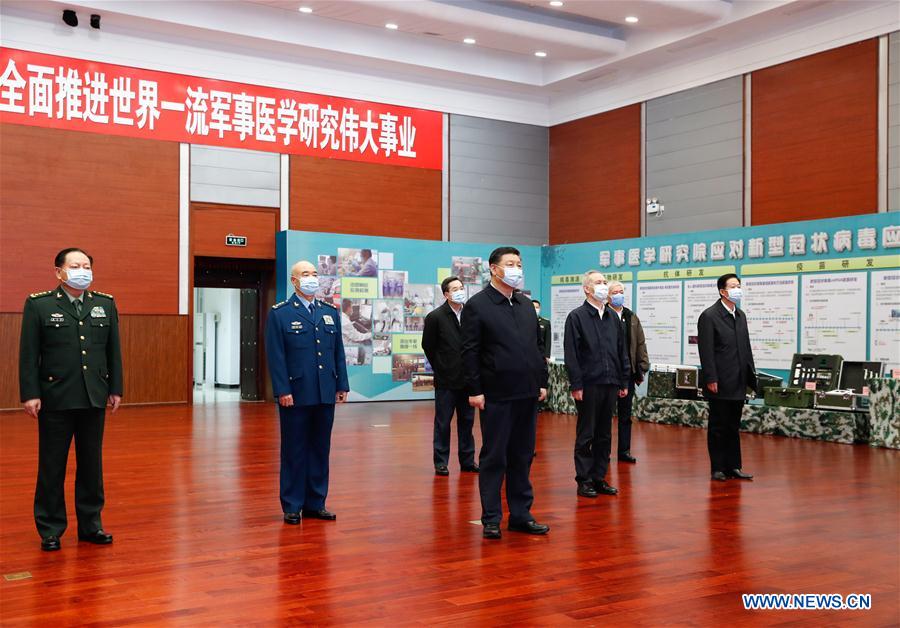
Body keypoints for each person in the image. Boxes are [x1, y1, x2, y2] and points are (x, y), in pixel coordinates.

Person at [19, 248, 123, 552]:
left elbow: (113, 351)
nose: (82, 270)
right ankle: (50, 529)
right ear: (59, 272)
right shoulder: (39, 305)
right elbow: (28, 355)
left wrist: (115, 388)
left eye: (87, 265)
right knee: (52, 465)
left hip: (94, 396)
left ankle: (91, 525)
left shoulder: (104, 303)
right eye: (75, 266)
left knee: (92, 465)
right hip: (56, 397)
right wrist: (30, 394)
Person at [462, 246, 550, 540]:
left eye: (519, 263)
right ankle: (491, 517)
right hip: (496, 394)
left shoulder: (525, 305)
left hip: (526, 393)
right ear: (493, 269)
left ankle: (521, 515)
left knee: (523, 455)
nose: (516, 269)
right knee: (494, 456)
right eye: (510, 264)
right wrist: (475, 390)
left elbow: (538, 349)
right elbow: (470, 351)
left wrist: (542, 381)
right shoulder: (477, 305)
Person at [266, 260, 350, 524]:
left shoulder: (329, 312)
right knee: (294, 449)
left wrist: (342, 385)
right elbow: (276, 356)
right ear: (294, 280)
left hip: (325, 392)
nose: (312, 278)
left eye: (314, 274)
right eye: (305, 274)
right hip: (296, 394)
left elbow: (338, 352)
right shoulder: (280, 313)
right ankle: (292, 505)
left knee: (320, 448)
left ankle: (316, 502)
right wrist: (282, 390)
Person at [563, 271, 630, 498]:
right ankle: (584, 480)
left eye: (605, 282)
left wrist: (623, 379)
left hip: (611, 382)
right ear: (587, 289)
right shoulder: (577, 317)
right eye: (598, 283)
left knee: (604, 434)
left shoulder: (613, 317)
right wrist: (576, 384)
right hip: (589, 384)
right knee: (587, 433)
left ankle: (599, 477)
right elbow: (571, 354)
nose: (603, 286)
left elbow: (622, 351)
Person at [697, 273, 758, 482]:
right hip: (720, 381)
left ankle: (734, 466)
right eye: (733, 286)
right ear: (722, 291)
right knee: (718, 426)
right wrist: (711, 378)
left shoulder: (740, 315)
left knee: (733, 426)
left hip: (739, 380)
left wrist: (751, 377)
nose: (737, 289)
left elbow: (746, 348)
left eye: (739, 285)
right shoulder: (709, 316)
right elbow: (706, 352)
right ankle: (718, 467)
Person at [422, 276, 478, 477]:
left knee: (467, 422)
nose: (459, 291)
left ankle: (468, 460)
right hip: (446, 380)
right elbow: (428, 346)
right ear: (446, 294)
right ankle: (441, 461)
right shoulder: (436, 316)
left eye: (461, 287)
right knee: (443, 423)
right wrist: (441, 366)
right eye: (455, 289)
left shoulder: (471, 314)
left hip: (468, 379)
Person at [607, 281, 649, 464]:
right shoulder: (604, 315)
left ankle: (624, 450)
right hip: (608, 374)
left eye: (621, 291)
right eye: (615, 292)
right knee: (605, 417)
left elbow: (640, 343)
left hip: (628, 372)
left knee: (625, 415)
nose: (619, 295)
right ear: (608, 296)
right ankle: (603, 452)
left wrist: (642, 367)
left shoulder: (631, 317)